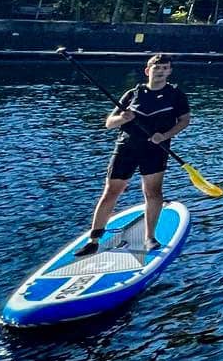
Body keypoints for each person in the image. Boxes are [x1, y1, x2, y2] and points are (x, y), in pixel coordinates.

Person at [78, 54, 191, 254]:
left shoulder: (176, 95)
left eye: (165, 68)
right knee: (111, 192)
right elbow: (109, 123)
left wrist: (164, 136)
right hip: (126, 148)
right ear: (148, 71)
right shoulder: (133, 94)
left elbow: (184, 121)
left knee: (153, 193)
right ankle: (93, 240)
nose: (161, 71)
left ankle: (149, 238)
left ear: (170, 72)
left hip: (155, 150)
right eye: (157, 68)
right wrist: (122, 117)